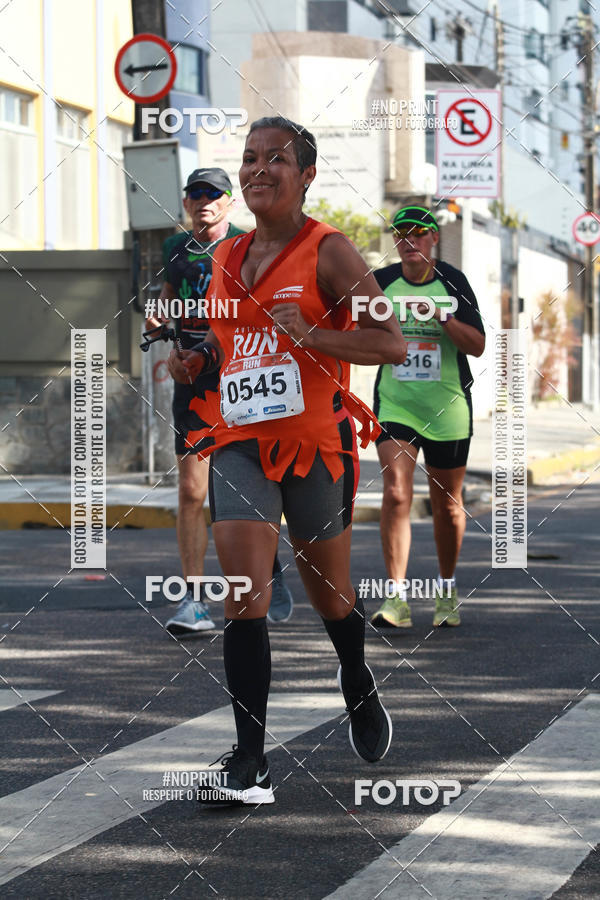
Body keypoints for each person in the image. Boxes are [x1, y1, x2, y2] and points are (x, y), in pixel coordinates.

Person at [168, 116, 406, 805]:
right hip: (241, 444)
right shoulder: (226, 258)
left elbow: (388, 343)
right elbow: (226, 347)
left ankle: (356, 676)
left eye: (277, 159)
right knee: (246, 595)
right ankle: (251, 764)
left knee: (331, 595)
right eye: (249, 158)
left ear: (305, 177)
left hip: (316, 448)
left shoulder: (329, 251)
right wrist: (197, 363)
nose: (258, 169)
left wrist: (320, 335)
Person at [145, 167, 293, 635]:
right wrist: (159, 322)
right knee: (191, 491)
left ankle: (266, 568)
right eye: (195, 194)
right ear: (186, 202)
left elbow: (257, 315)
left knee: (247, 490)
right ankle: (193, 602)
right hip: (192, 381)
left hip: (239, 379)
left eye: (214, 194)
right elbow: (168, 300)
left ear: (231, 203)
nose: (203, 201)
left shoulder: (249, 246)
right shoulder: (175, 250)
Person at [370, 206, 485, 631]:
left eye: (418, 234)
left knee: (447, 507)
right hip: (396, 402)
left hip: (447, 405)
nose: (409, 242)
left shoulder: (452, 282)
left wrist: (443, 316)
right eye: (401, 235)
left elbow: (477, 345)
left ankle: (446, 588)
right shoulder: (381, 283)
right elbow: (353, 324)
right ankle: (396, 598)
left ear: (433, 239)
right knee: (397, 492)